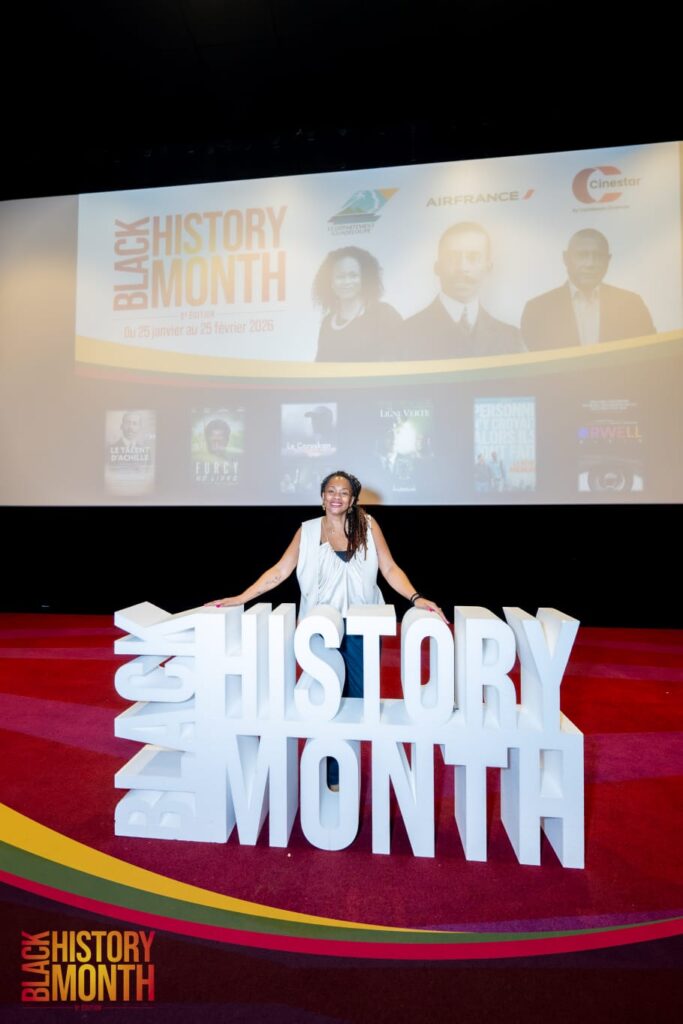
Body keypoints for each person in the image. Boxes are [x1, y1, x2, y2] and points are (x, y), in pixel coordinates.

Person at [208, 470, 447, 789]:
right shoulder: (306, 531)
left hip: (363, 627)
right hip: (320, 630)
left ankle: (349, 763)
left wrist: (416, 597)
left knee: (359, 700)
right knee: (325, 701)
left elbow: (389, 568)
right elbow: (280, 571)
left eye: (344, 492)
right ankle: (334, 773)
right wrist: (241, 597)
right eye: (331, 490)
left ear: (353, 499)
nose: (337, 496)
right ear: (322, 497)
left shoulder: (368, 526)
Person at [404, 222, 525, 358]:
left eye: (473, 258)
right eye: (451, 258)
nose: (462, 268)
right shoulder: (405, 334)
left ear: (488, 268)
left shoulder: (511, 339)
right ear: (437, 267)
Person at [521, 228, 656, 350]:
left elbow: (650, 354)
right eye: (582, 255)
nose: (590, 263)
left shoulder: (632, 304)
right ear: (566, 258)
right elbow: (533, 365)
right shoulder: (537, 309)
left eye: (598, 256)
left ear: (608, 260)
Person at [313, 247, 403, 361]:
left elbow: (397, 359)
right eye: (340, 277)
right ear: (330, 283)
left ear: (364, 279)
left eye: (353, 275)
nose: (347, 282)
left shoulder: (384, 314)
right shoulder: (327, 323)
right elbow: (321, 365)